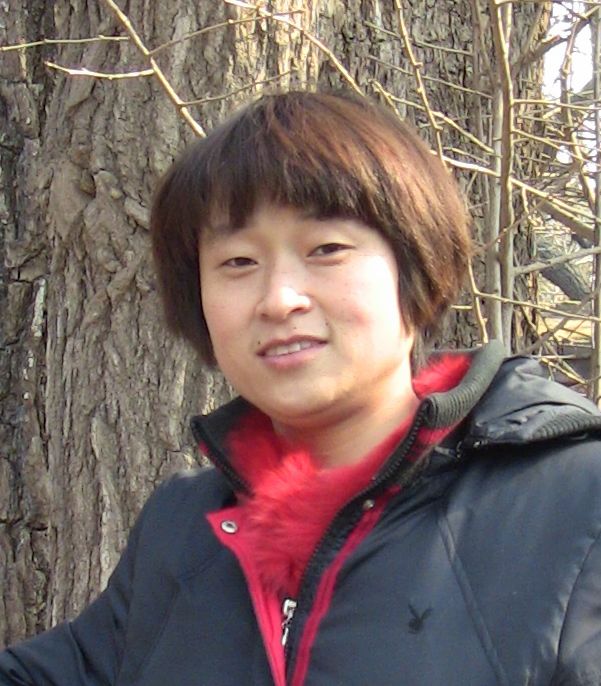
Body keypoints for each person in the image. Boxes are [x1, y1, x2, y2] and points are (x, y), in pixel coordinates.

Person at [2, 90, 601, 686]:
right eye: (238, 262)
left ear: (416, 265)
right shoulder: (186, 528)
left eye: (327, 249)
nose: (279, 299)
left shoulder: (572, 503)